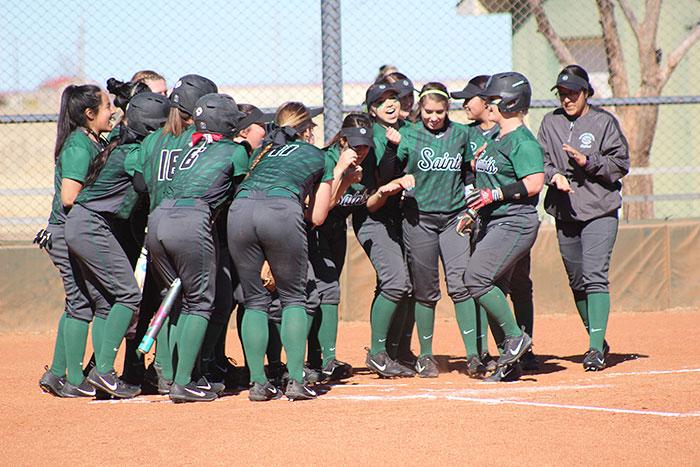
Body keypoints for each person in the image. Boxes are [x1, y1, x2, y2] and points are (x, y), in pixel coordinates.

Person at [64, 92, 170, 398]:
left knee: (107, 303)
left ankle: (104, 374)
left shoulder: (122, 145)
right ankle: (105, 372)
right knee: (128, 296)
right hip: (92, 226)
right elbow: (142, 184)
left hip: (85, 224)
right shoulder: (134, 151)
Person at [227, 102, 334, 401]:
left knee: (255, 301)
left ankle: (258, 383)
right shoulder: (316, 154)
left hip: (240, 212)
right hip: (279, 212)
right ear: (306, 130)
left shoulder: (263, 153)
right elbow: (317, 217)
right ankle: (297, 381)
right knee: (293, 299)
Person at [146, 93, 248, 402]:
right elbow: (243, 193)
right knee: (200, 302)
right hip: (191, 221)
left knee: (179, 301)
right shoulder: (234, 150)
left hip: (159, 219)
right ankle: (184, 382)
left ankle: (181, 375)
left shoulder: (192, 147)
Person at [538, 64, 629, 371]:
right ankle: (598, 337)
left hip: (599, 210)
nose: (567, 100)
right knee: (577, 280)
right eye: (562, 94)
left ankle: (594, 350)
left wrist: (588, 162)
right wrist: (554, 176)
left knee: (594, 276)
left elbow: (620, 163)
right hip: (565, 212)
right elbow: (542, 161)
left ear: (586, 92)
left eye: (573, 93)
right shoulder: (550, 123)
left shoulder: (603, 122)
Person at [395, 82, 486, 378]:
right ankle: (425, 356)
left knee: (461, 285)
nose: (434, 117)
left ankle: (473, 355)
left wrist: (471, 207)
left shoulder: (461, 134)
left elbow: (470, 170)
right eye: (428, 111)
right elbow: (393, 169)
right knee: (425, 290)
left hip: (453, 218)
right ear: (420, 109)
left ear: (448, 109)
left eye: (440, 111)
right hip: (418, 218)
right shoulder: (407, 134)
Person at [134, 74, 218, 393]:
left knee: (167, 302)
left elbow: (139, 182)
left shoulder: (152, 140)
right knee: (191, 303)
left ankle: (165, 371)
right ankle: (185, 375)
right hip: (189, 227)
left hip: (156, 226)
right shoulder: (197, 140)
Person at [453, 75, 538, 372]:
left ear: (510, 103)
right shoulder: (494, 138)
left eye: (493, 100)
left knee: (476, 278)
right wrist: (473, 212)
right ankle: (509, 361)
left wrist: (495, 194)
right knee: (494, 289)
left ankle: (515, 338)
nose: (487, 104)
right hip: (492, 221)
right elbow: (484, 182)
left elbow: (534, 182)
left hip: (515, 223)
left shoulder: (523, 141)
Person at [36, 84, 114, 398]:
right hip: (66, 231)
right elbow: (70, 197)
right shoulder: (79, 145)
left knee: (77, 303)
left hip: (70, 231)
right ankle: (74, 378)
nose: (112, 112)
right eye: (107, 107)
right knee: (82, 304)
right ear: (88, 113)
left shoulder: (91, 140)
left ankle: (58, 374)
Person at [356, 82, 415, 377]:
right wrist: (392, 147)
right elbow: (382, 181)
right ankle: (378, 353)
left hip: (403, 217)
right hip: (374, 218)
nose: (390, 104)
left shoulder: (411, 128)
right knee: (395, 282)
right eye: (382, 102)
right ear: (372, 110)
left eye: (393, 98)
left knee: (407, 286)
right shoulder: (373, 135)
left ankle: (398, 351)